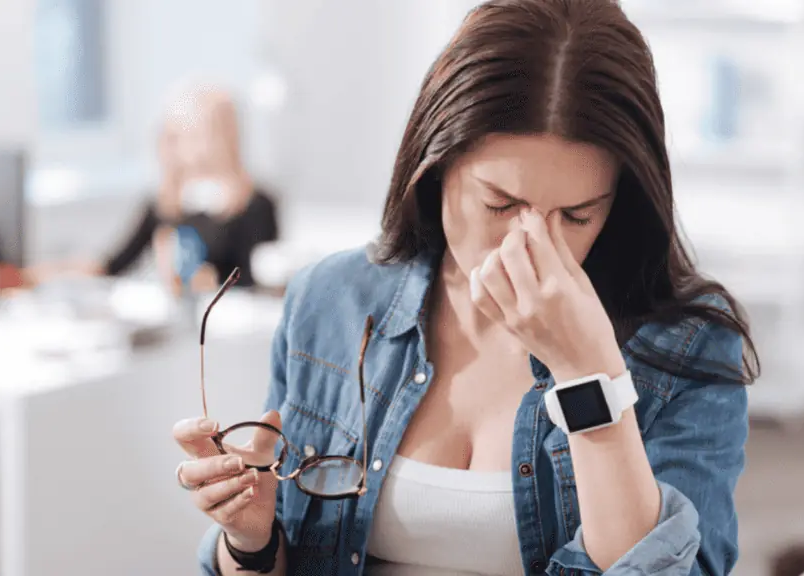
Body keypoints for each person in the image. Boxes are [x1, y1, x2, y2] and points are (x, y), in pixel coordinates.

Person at [173, 1, 758, 575]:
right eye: (500, 204)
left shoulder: (686, 343)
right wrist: (250, 542)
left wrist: (590, 375)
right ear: (436, 164)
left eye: (577, 216)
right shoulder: (331, 300)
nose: (530, 246)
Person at [30, 85, 279, 291]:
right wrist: (50, 273)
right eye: (176, 136)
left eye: (194, 135)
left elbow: (259, 282)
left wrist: (211, 283)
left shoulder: (256, 204)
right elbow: (114, 264)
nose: (183, 148)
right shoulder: (164, 203)